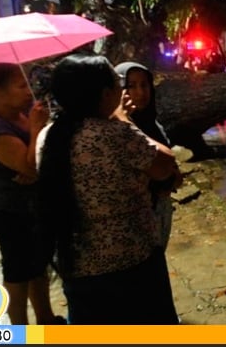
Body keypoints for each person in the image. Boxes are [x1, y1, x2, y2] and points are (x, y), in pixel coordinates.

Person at [36, 54, 181, 324]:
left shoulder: (48, 136)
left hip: (77, 266)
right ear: (104, 95)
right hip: (131, 263)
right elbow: (165, 165)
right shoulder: (113, 133)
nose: (125, 91)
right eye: (118, 84)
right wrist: (123, 119)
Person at [0, 63, 65, 325]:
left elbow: (33, 163)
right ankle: (19, 329)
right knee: (18, 272)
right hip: (8, 210)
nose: (28, 90)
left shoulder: (19, 114)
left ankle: (45, 318)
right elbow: (29, 165)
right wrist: (35, 131)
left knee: (37, 266)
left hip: (29, 204)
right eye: (20, 85)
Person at [114, 62, 184, 251]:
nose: (140, 92)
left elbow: (171, 170)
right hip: (135, 218)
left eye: (144, 85)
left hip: (160, 210)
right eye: (131, 86)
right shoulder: (116, 129)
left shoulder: (153, 123)